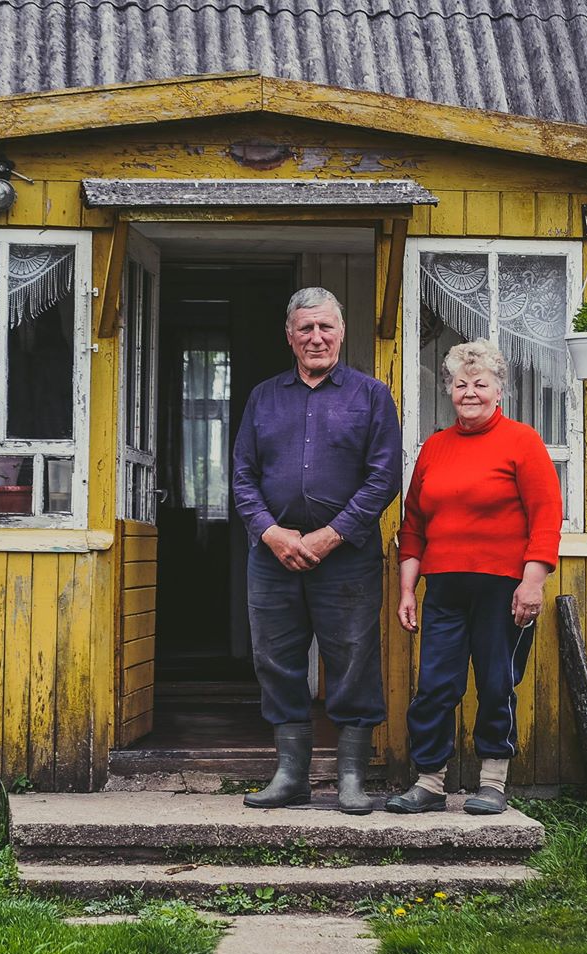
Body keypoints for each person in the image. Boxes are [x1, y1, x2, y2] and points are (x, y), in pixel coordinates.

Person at [233, 287, 402, 815]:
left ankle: (351, 779)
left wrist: (330, 535)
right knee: (277, 660)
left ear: (342, 331)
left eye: (326, 327)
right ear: (290, 336)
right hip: (273, 556)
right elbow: (242, 476)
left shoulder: (371, 396)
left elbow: (384, 478)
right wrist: (271, 532)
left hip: (346, 555)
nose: (316, 338)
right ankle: (291, 777)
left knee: (352, 659)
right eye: (305, 328)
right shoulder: (264, 397)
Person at [386, 339, 562, 816]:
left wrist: (532, 582)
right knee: (437, 686)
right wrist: (408, 589)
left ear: (497, 389)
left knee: (496, 682)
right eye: (460, 383)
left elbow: (546, 517)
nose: (469, 392)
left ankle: (492, 781)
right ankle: (429, 781)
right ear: (449, 390)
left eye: (480, 383)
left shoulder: (522, 441)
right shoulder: (434, 448)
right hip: (443, 587)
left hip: (503, 589)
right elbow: (414, 526)